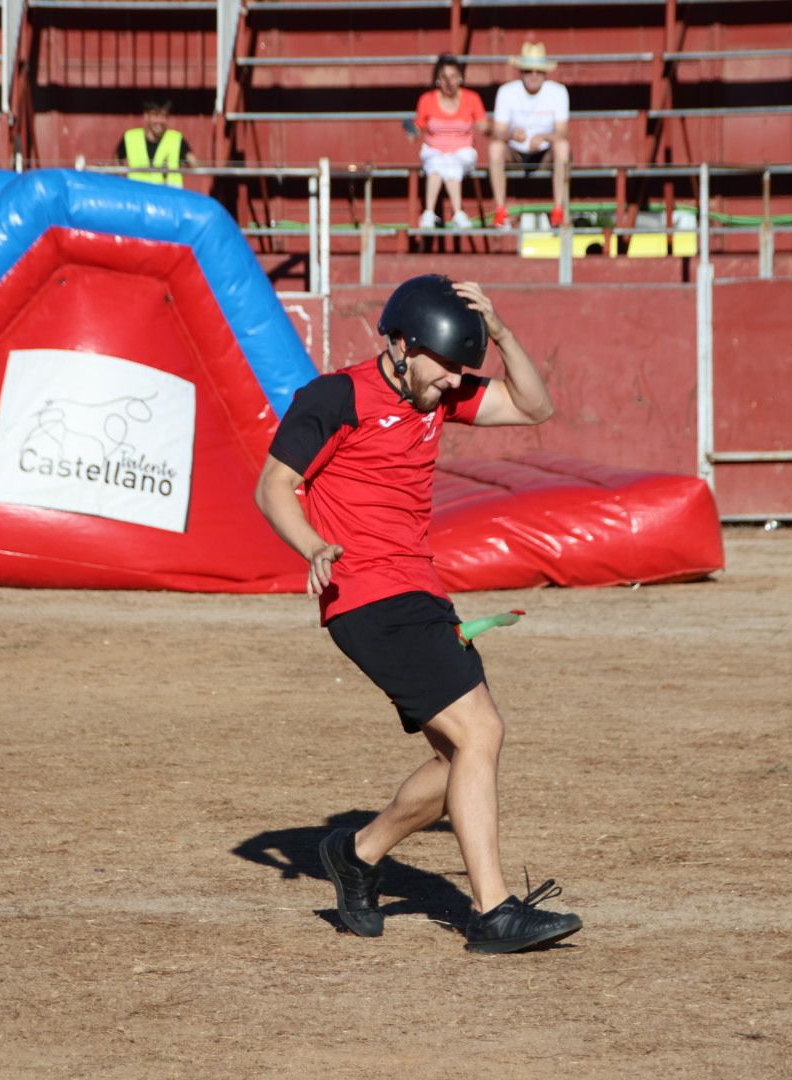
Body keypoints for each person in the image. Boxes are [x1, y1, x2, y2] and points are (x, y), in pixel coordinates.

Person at [253, 274, 581, 955]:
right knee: (482, 732)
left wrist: (502, 332)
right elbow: (273, 485)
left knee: (460, 756)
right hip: (366, 595)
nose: (450, 384)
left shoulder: (439, 396)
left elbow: (533, 407)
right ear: (401, 346)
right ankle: (491, 914)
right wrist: (313, 544)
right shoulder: (335, 397)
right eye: (443, 368)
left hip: (422, 590)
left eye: (462, 371)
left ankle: (358, 853)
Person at [488, 42, 570, 229]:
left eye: (539, 71)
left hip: (545, 153)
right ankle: (500, 211)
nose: (534, 75)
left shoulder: (558, 92)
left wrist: (544, 137)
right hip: (515, 152)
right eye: (528, 70)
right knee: (495, 148)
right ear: (521, 72)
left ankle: (558, 210)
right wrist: (511, 135)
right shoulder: (506, 92)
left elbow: (563, 131)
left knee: (562, 146)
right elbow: (498, 131)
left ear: (545, 73)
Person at [415, 54, 490, 230]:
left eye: (453, 77)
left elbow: (483, 125)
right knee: (439, 162)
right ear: (437, 79)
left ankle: (430, 212)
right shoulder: (427, 99)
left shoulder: (472, 99)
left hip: (462, 150)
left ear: (460, 78)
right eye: (444, 77)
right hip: (435, 150)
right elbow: (418, 126)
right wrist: (411, 130)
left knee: (451, 161)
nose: (449, 82)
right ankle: (456, 213)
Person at [115, 99, 198, 187]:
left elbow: (195, 165)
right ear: (146, 116)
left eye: (164, 116)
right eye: (155, 115)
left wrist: (179, 170)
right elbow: (115, 165)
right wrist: (125, 182)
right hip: (138, 196)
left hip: (168, 196)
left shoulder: (176, 138)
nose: (159, 121)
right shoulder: (130, 137)